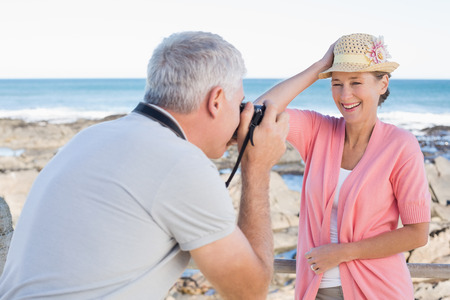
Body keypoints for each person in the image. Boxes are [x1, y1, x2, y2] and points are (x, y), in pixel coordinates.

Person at [0, 31, 289, 299]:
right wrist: (257, 167)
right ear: (216, 101)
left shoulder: (91, 137)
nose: (241, 116)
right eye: (238, 103)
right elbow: (248, 292)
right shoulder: (180, 164)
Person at [255, 33, 431, 299]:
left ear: (382, 83)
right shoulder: (318, 131)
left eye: (356, 82)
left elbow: (417, 234)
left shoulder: (401, 146)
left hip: (379, 290)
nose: (345, 95)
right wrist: (318, 68)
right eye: (337, 83)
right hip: (316, 289)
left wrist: (343, 252)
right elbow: (258, 113)